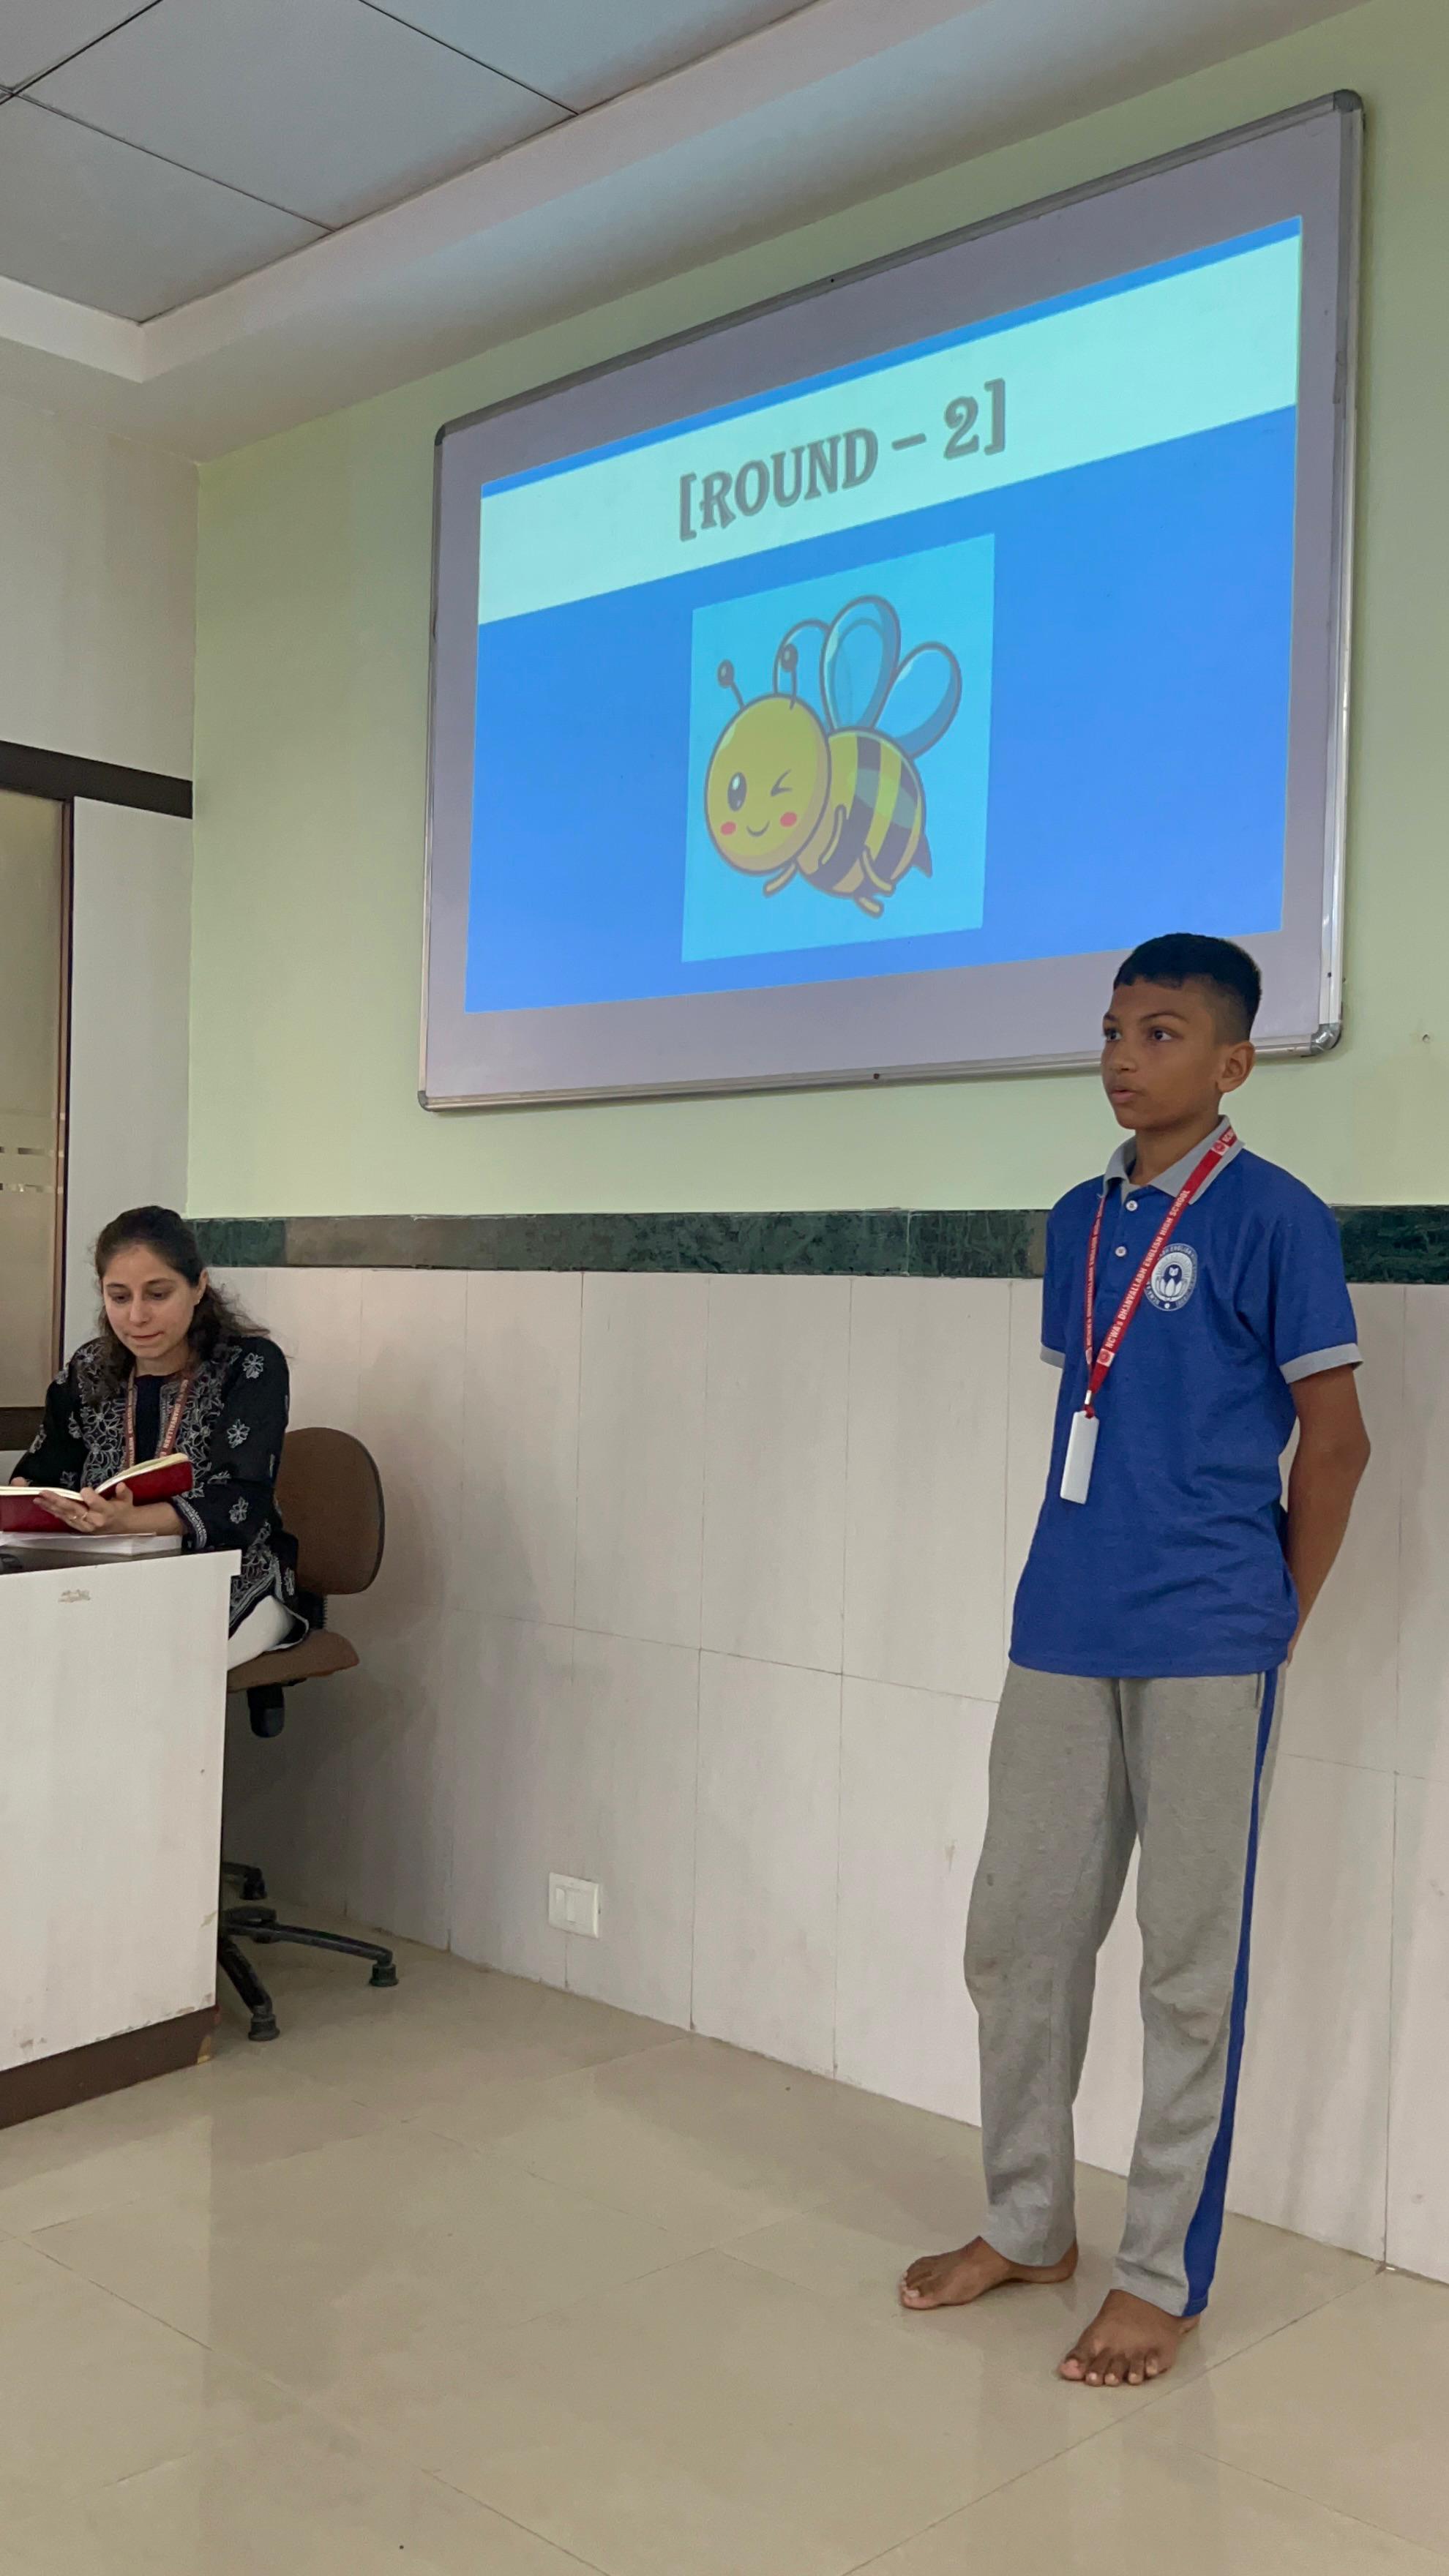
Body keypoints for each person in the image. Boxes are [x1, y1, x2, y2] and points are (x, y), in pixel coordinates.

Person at [901, 934, 1370, 2389]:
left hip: (1210, 1636)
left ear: (1233, 1063)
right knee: (1018, 1939)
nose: (1122, 1056)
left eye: (1160, 1032)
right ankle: (1027, 2224)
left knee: (1187, 1967)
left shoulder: (1276, 1218)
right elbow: (1102, 1410)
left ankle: (1161, 2273)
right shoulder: (1078, 1221)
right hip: (1062, 1623)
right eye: (1112, 1029)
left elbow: (1338, 1446)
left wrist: (1271, 1619)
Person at [10, 1205, 305, 1669]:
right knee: (41, 1654)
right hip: (104, 1573)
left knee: (147, 1665)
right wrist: (27, 1498)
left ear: (198, 1286)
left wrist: (128, 1521)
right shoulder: (88, 1371)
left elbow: (241, 1501)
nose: (137, 1316)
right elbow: (45, 1469)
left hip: (232, 1573)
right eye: (119, 1297)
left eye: (158, 1294)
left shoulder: (249, 1365)